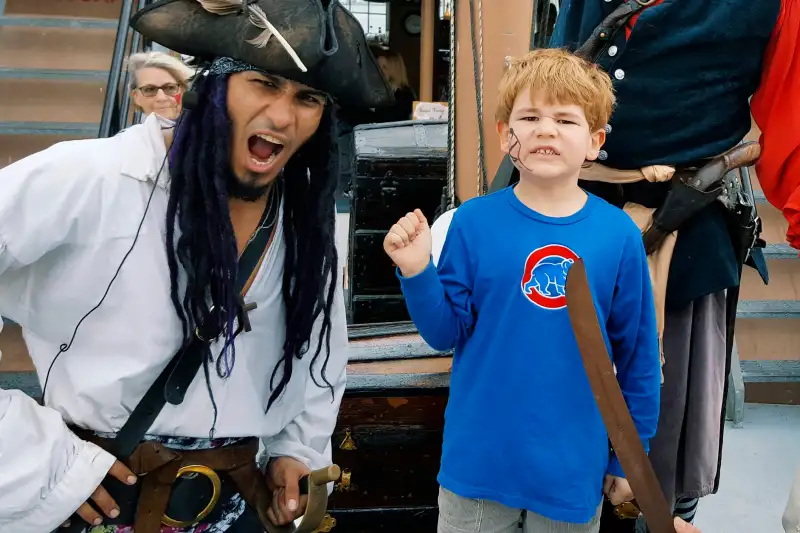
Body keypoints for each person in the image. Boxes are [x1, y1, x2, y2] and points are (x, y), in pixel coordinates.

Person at [0, 1, 393, 532]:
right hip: (97, 503)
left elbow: (319, 362)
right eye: (263, 83)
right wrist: (33, 456)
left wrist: (293, 450)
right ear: (211, 90)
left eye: (307, 98)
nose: (282, 115)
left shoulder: (305, 229)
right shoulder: (90, 178)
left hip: (238, 505)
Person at [540, 0, 800, 528]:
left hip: (683, 239)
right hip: (563, 221)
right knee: (546, 420)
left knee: (661, 453)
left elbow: (793, 122)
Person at [384, 48, 662, 533]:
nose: (546, 130)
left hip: (572, 469)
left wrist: (628, 462)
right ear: (504, 135)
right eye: (529, 117)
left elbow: (638, 359)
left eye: (566, 120)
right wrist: (416, 271)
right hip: (477, 466)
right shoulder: (471, 223)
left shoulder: (618, 236)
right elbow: (444, 333)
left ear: (595, 141)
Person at [126, 50, 195, 122]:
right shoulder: (130, 133)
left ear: (185, 90)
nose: (161, 98)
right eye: (150, 89)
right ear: (136, 97)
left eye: (170, 88)